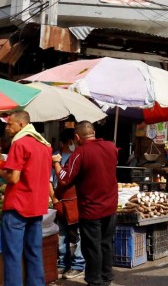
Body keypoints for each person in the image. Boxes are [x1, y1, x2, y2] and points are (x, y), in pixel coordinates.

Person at [54, 121, 118, 286]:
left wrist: (56, 162)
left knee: (92, 247)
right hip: (110, 206)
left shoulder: (80, 153)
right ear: (94, 132)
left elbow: (64, 179)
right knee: (105, 244)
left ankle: (95, 280)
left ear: (77, 137)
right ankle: (106, 277)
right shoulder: (111, 147)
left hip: (91, 209)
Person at [0, 110, 52, 286]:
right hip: (36, 206)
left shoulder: (20, 143)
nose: (7, 127)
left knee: (13, 254)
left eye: (10, 124)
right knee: (34, 252)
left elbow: (13, 178)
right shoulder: (45, 145)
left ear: (21, 125)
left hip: (17, 206)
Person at [51, 128, 85, 279]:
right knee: (62, 233)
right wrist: (55, 200)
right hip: (61, 200)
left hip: (76, 200)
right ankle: (62, 263)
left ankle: (78, 265)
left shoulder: (78, 157)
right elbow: (50, 181)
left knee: (78, 234)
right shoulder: (55, 158)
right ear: (70, 141)